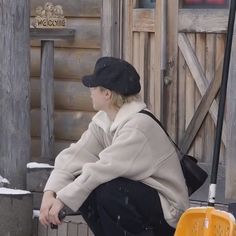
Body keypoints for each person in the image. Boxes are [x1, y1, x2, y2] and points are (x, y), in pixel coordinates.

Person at [39, 57, 189, 236]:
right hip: (142, 201)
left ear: (107, 94)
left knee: (107, 189)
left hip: (169, 214)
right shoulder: (104, 121)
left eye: (93, 87)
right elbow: (73, 157)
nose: (90, 92)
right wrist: (50, 193)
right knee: (89, 185)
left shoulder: (138, 127)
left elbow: (103, 169)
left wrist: (62, 199)